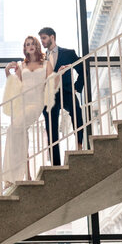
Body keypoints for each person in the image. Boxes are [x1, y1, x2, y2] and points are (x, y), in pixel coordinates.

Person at [1, 35, 56, 185]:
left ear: (37, 46)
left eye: (32, 43)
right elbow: (14, 83)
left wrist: (61, 73)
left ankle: (11, 177)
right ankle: (26, 175)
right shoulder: (22, 65)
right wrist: (7, 70)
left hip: (35, 103)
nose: (30, 46)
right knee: (21, 136)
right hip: (22, 104)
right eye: (27, 44)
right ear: (24, 49)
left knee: (13, 129)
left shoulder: (46, 64)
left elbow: (52, 82)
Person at [38, 26, 84, 166]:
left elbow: (82, 69)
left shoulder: (68, 53)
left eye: (44, 38)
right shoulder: (41, 59)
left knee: (77, 113)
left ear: (52, 37)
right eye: (41, 39)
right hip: (49, 95)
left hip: (67, 91)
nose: (42, 42)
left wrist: (77, 86)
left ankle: (80, 145)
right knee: (51, 127)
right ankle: (55, 163)